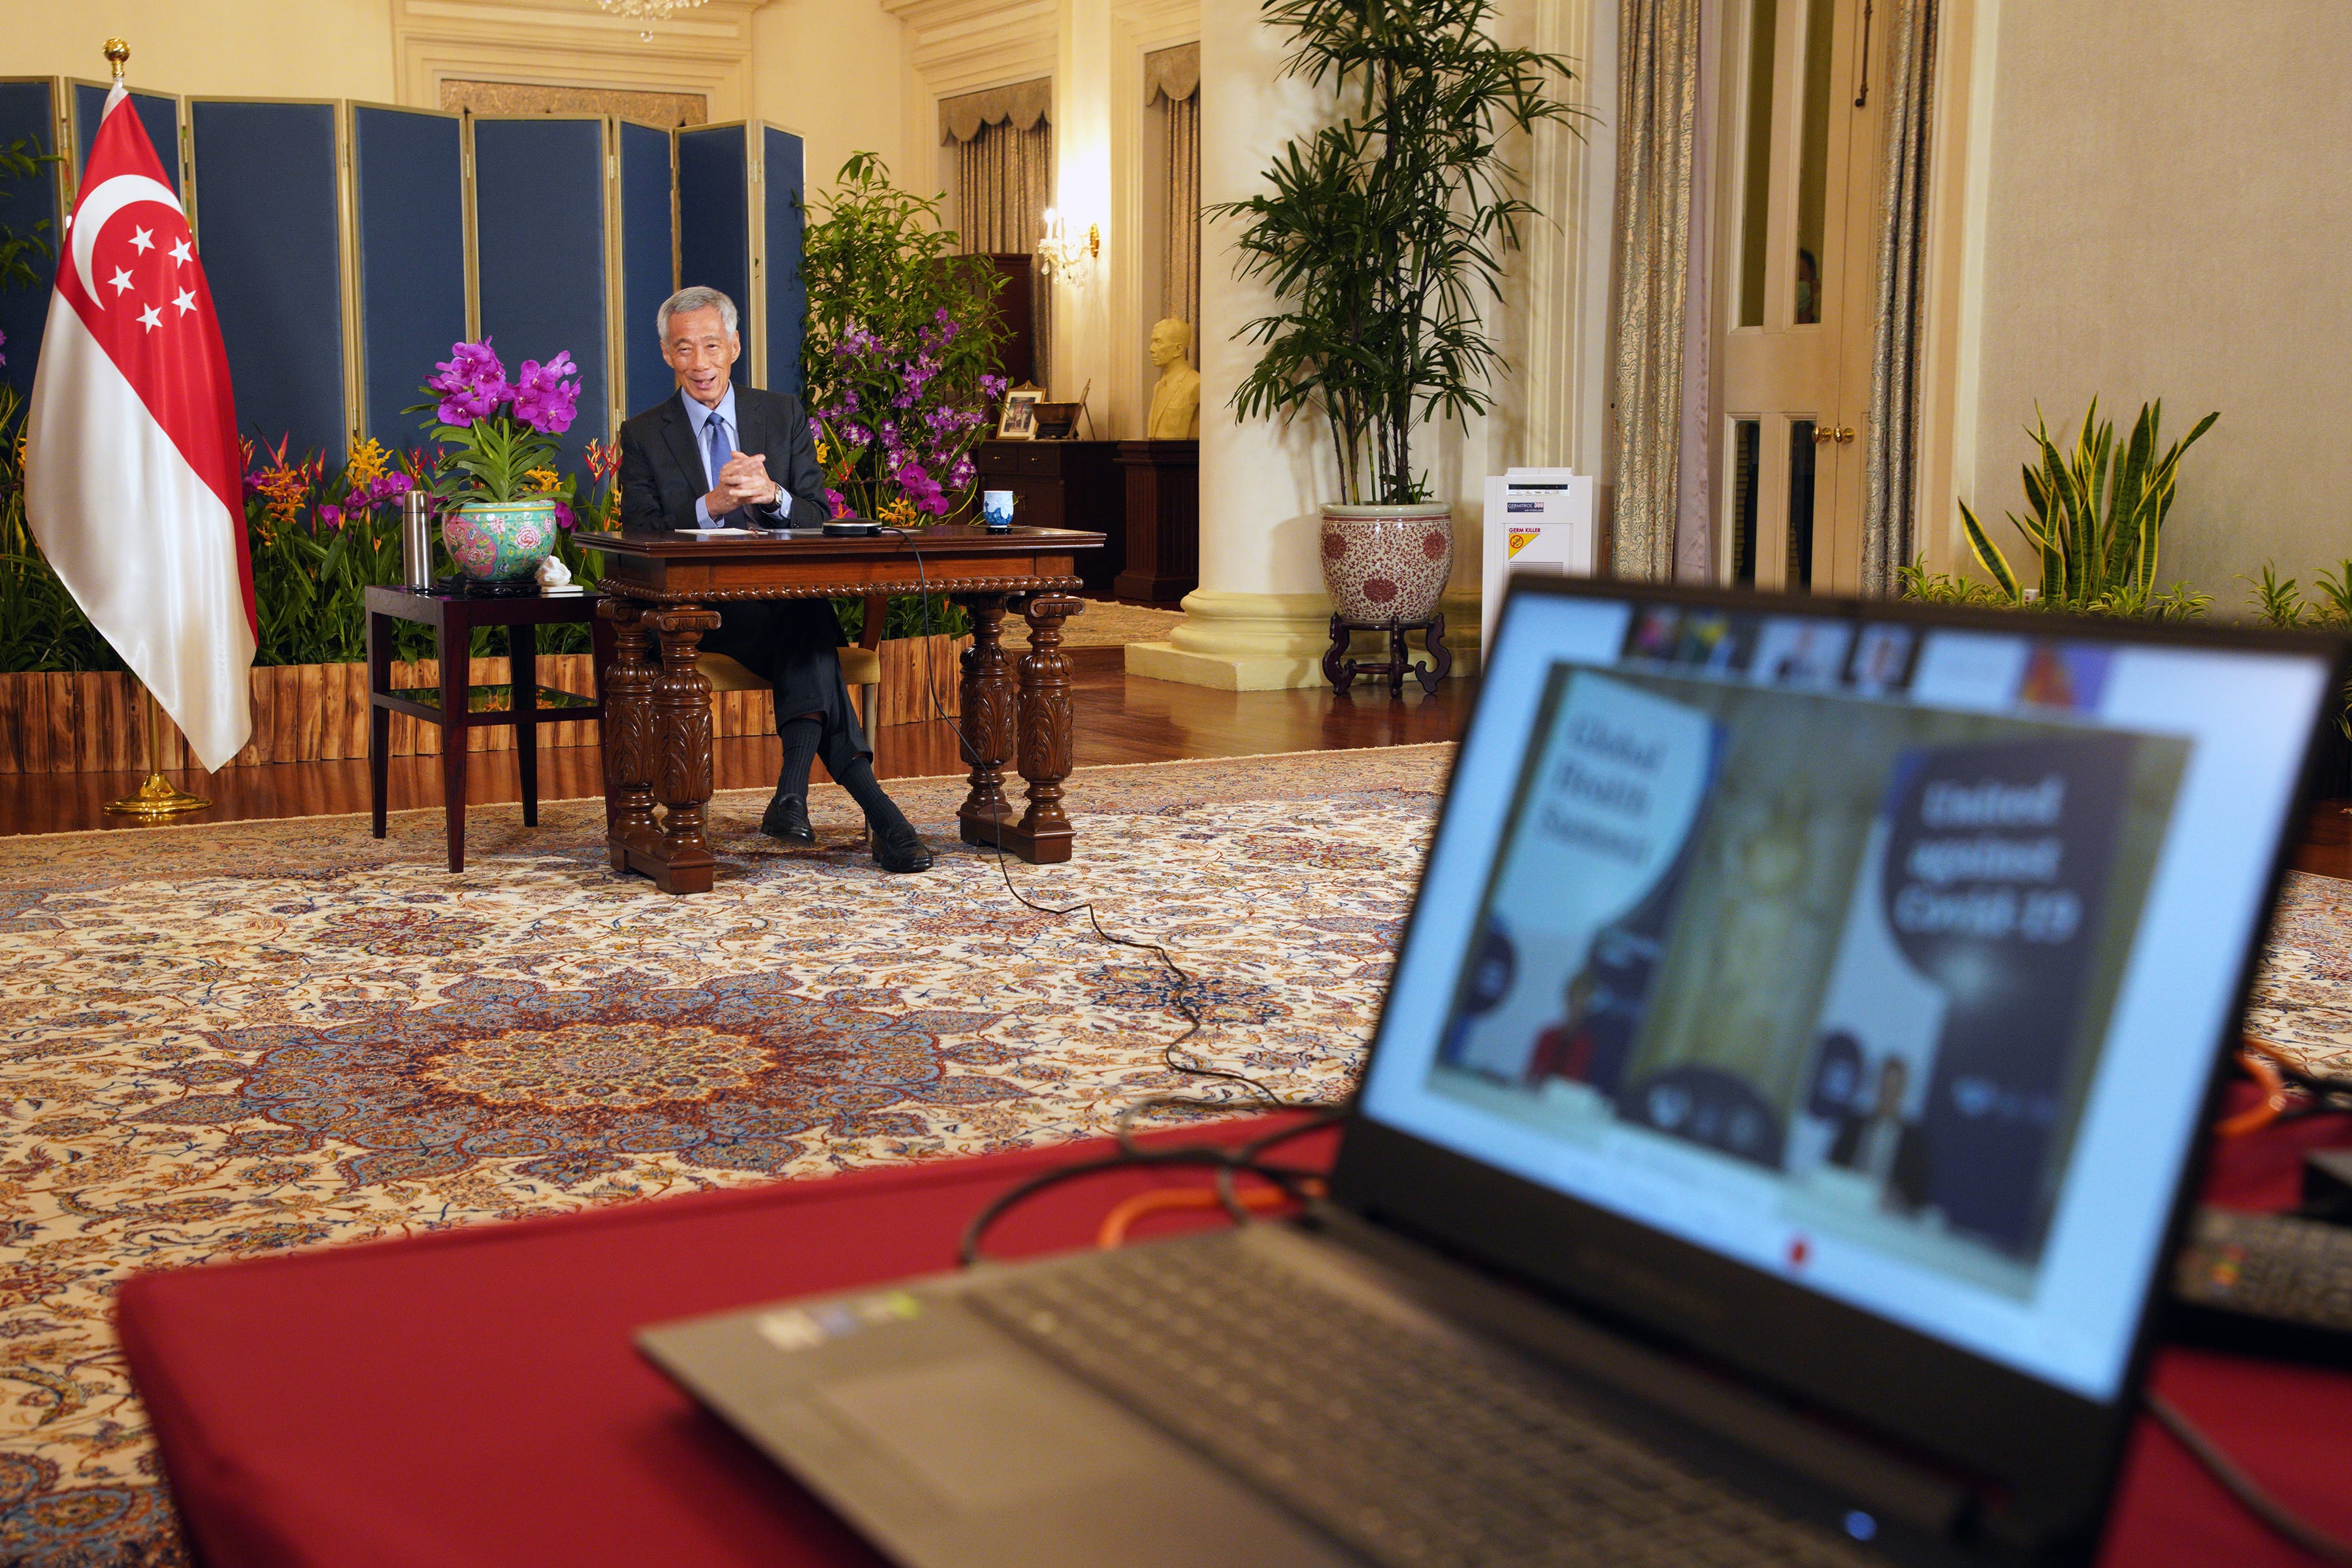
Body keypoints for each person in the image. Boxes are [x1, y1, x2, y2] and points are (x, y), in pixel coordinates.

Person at [617, 286, 933, 873]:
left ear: (734, 346)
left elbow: (816, 517)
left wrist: (775, 495)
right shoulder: (642, 434)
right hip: (706, 618)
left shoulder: (781, 413)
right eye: (685, 349)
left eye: (712, 345)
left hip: (783, 604)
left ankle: (803, 800)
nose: (701, 362)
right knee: (813, 629)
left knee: (804, 616)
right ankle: (858, 811)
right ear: (666, 355)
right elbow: (640, 536)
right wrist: (710, 504)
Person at [1144, 318, 1200, 440]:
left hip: (1180, 456)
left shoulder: (1195, 384)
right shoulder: (1158, 387)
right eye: (1152, 342)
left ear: (1178, 349)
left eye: (1158, 342)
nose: (1152, 349)